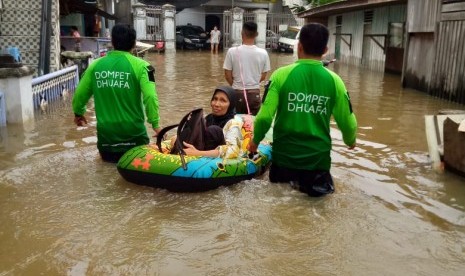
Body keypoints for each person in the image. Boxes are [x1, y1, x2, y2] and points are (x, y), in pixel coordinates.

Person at [247, 23, 358, 197]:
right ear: (325, 50)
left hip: (283, 162)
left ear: (299, 46)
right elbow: (348, 122)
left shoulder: (280, 75)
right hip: (317, 164)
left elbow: (263, 118)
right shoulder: (335, 81)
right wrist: (350, 140)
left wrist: (255, 142)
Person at [72, 24, 162, 163]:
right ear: (133, 43)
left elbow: (79, 94)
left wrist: (78, 113)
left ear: (112, 42)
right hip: (135, 136)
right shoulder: (146, 67)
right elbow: (151, 96)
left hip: (107, 138)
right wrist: (156, 125)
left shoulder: (94, 66)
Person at [181, 86, 247, 159]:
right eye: (215, 99)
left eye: (223, 101)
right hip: (202, 151)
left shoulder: (234, 122)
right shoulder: (208, 118)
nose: (216, 104)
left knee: (214, 130)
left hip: (218, 161)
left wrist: (197, 153)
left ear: (231, 104)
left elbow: (233, 151)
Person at [223, 21, 271, 115]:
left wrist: (237, 85)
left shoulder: (232, 52)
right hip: (254, 95)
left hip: (237, 94)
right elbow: (263, 76)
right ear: (256, 34)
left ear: (242, 33)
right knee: (252, 125)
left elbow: (227, 75)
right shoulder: (263, 53)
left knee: (236, 124)